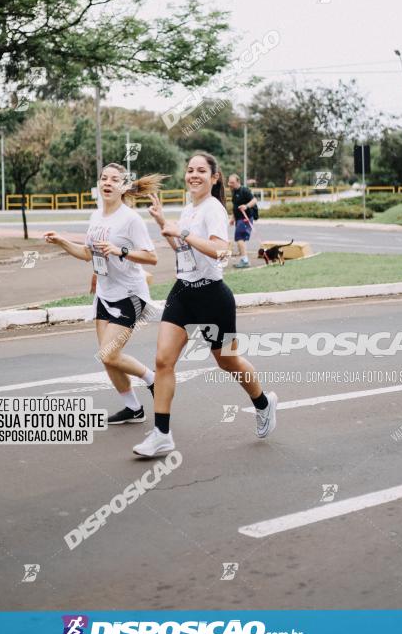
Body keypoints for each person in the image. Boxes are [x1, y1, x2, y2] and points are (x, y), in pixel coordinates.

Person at [132, 152, 277, 458]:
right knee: (163, 361)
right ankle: (162, 434)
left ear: (214, 178)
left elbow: (221, 252)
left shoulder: (213, 209)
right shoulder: (188, 210)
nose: (193, 175)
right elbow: (183, 249)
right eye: (189, 170)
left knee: (228, 362)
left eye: (201, 171)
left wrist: (181, 232)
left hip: (213, 296)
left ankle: (263, 403)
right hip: (183, 292)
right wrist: (163, 224)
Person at [44, 163, 161, 424]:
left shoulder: (131, 219)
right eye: (104, 178)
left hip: (130, 295)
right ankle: (133, 409)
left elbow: (152, 258)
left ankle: (153, 379)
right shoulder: (96, 217)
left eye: (114, 179)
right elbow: (88, 254)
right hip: (105, 295)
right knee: (109, 359)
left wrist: (120, 251)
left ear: (123, 187)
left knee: (108, 353)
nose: (108, 182)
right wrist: (62, 241)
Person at [227, 173, 257, 268]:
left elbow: (254, 200)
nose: (230, 184)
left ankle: (245, 260)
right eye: (229, 182)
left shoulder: (244, 190)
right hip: (239, 219)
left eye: (232, 182)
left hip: (245, 218)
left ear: (238, 182)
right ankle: (244, 259)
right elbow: (235, 207)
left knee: (239, 238)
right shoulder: (234, 192)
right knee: (240, 239)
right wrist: (232, 218)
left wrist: (246, 206)